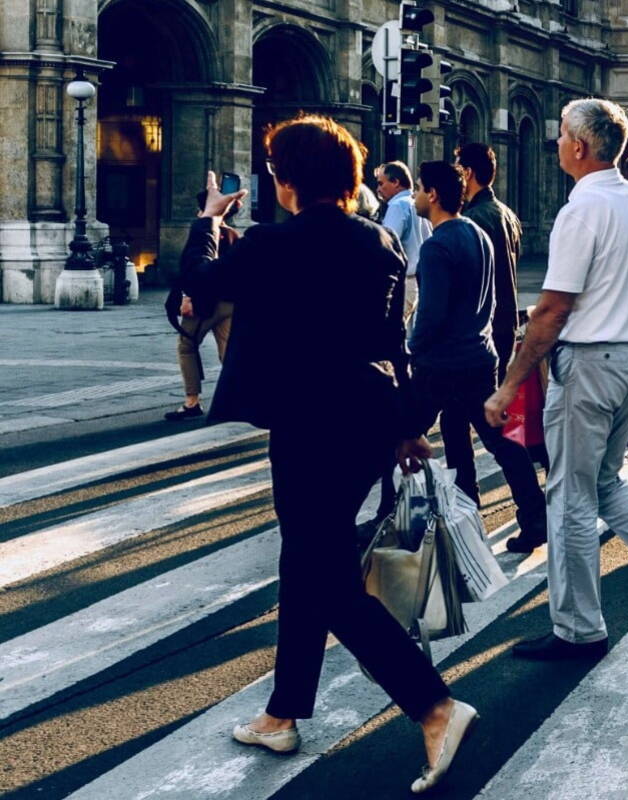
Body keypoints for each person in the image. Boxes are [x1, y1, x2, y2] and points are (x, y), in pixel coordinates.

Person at [182, 118, 474, 793]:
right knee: (308, 558)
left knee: (328, 580)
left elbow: (197, 280)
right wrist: (406, 425)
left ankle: (434, 706)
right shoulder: (379, 241)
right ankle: (283, 711)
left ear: (286, 180)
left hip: (309, 424)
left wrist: (206, 219)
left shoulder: (273, 243)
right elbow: (392, 340)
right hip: (368, 419)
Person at [483, 98, 628, 661]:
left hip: (590, 363)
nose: (557, 141)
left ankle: (578, 629)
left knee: (568, 498)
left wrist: (509, 384)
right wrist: (620, 288)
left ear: (579, 146)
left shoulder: (580, 210)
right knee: (605, 482)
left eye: (561, 134)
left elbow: (552, 309)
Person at [404, 160, 550, 551]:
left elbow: (431, 314)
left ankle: (393, 520)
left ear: (432, 194)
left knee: (401, 435)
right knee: (498, 439)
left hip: (440, 364)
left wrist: (412, 348)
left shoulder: (437, 246)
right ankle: (533, 516)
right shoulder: (477, 233)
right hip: (479, 356)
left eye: (418, 188)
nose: (416, 195)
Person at [454, 144, 523, 387]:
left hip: (482, 328)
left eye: (458, 168)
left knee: (463, 409)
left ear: (468, 172)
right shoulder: (507, 213)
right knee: (492, 403)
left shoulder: (472, 219)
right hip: (506, 320)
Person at [166, 190, 236, 421]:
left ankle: (192, 402)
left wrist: (187, 297)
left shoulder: (203, 232)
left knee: (187, 346)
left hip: (203, 304)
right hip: (230, 304)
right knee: (229, 352)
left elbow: (192, 269)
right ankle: (236, 400)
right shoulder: (235, 235)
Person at [376, 161, 431, 316]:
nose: (378, 189)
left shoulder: (397, 205)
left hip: (405, 283)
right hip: (420, 282)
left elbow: (387, 245)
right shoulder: (418, 203)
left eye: (381, 183)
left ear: (395, 182)